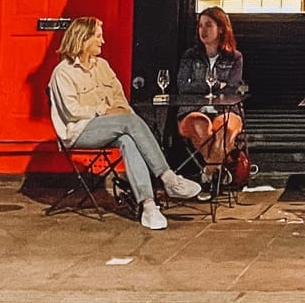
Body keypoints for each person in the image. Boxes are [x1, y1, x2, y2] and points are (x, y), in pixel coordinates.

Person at [47, 16, 201, 230]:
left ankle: (148, 207)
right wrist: (107, 111)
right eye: (98, 37)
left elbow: (119, 97)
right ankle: (169, 179)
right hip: (79, 130)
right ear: (83, 39)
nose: (102, 41)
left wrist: (119, 111)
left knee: (127, 139)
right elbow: (72, 112)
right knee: (128, 122)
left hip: (113, 125)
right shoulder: (62, 73)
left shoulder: (102, 66)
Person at [176, 7, 245, 196]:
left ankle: (207, 173)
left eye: (209, 25)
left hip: (226, 109)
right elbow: (182, 85)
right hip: (194, 108)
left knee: (227, 129)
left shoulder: (235, 57)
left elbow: (231, 87)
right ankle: (217, 171)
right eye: (200, 26)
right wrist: (214, 86)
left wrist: (200, 85)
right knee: (199, 123)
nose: (203, 31)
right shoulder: (190, 56)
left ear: (221, 28)